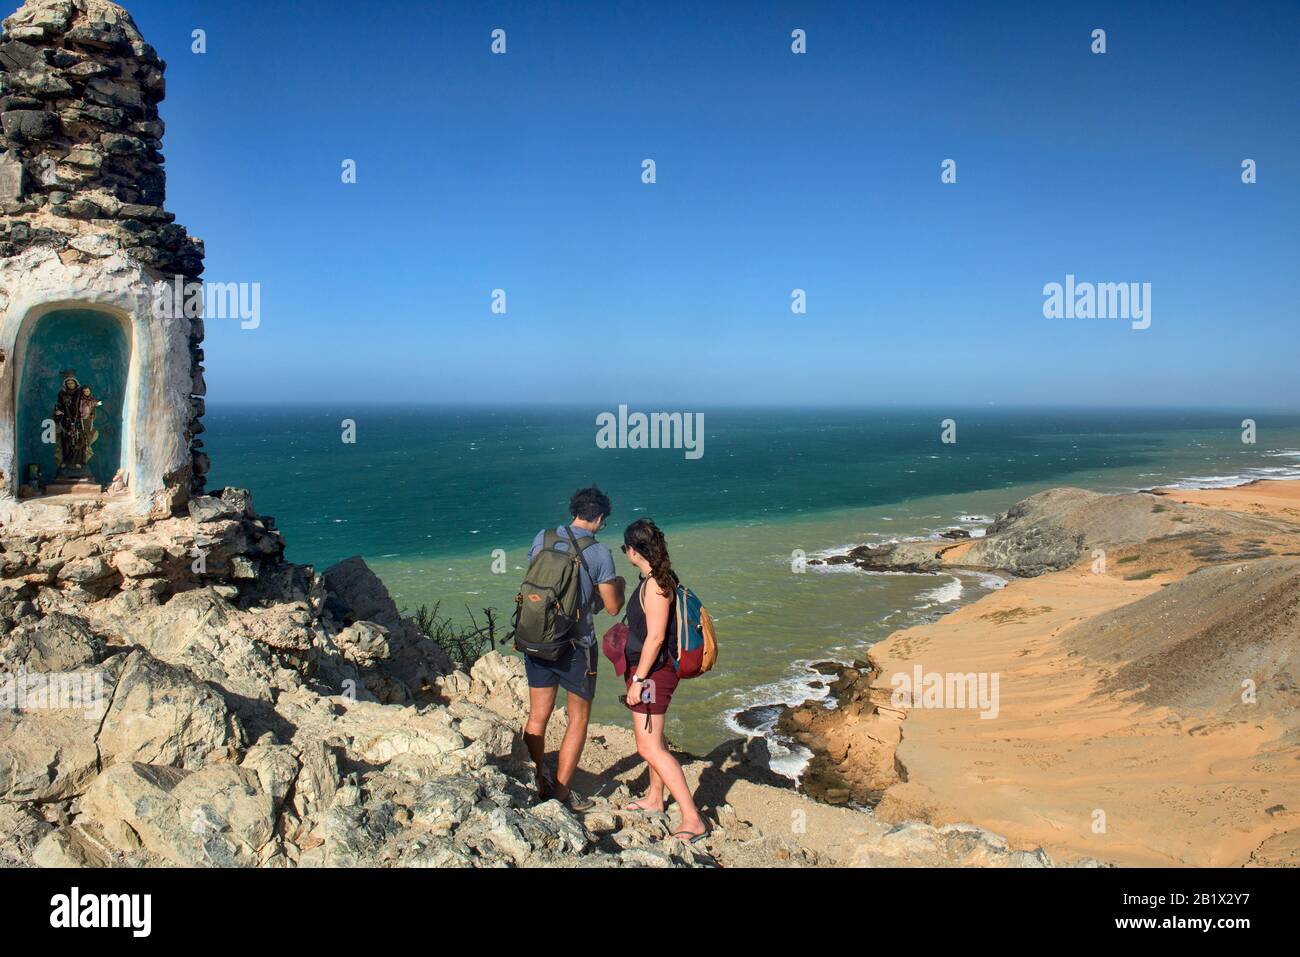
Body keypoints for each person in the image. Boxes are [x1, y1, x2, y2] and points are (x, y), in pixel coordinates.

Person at [522, 486, 625, 811]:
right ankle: (561, 794)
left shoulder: (544, 537)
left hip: (536, 637)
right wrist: (619, 585)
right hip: (576, 646)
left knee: (537, 716)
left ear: (574, 510)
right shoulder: (598, 553)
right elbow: (611, 607)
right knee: (578, 719)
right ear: (600, 518)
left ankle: (537, 779)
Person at [620, 518, 708, 843]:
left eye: (624, 548)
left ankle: (692, 818)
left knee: (648, 748)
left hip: (654, 675)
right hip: (654, 672)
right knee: (656, 741)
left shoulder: (657, 585)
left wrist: (638, 680)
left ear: (633, 550)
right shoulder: (659, 578)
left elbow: (655, 638)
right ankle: (656, 799)